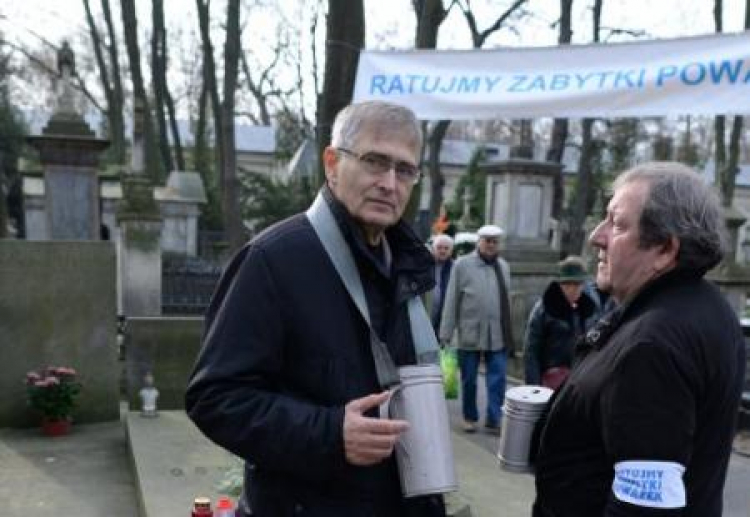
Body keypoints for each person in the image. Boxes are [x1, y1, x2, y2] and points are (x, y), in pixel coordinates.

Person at [185, 101, 446, 517]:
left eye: (405, 170)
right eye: (375, 162)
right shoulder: (272, 260)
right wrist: (329, 434)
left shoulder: (408, 267)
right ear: (332, 162)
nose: (389, 183)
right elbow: (215, 398)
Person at [532, 162, 746, 516]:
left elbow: (643, 508)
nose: (596, 236)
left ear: (664, 249)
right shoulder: (705, 306)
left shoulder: (653, 345)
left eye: (617, 224)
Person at [439, 224, 514, 434]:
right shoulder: (462, 265)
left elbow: (506, 301)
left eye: (495, 242)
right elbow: (452, 300)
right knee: (469, 379)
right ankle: (469, 416)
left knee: (497, 377)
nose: (491, 245)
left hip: (497, 333)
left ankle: (494, 417)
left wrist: (510, 335)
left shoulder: (503, 266)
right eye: (487, 241)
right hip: (468, 331)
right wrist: (445, 333)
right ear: (479, 242)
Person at [522, 255, 602, 390]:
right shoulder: (544, 309)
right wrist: (534, 388)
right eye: (567, 284)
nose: (572, 289)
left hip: (582, 377)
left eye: (577, 284)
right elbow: (531, 352)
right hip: (551, 379)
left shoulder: (590, 308)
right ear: (559, 284)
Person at [429, 234, 454, 332]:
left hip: (444, 316)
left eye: (446, 248)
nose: (442, 251)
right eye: (439, 247)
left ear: (451, 251)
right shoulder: (425, 265)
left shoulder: (455, 268)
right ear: (433, 249)